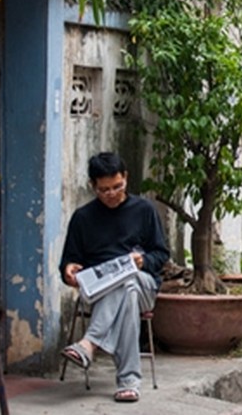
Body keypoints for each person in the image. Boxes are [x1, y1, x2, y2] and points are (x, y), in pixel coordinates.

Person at [59, 152, 170, 403]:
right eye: (104, 189)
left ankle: (89, 343)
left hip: (144, 286)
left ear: (126, 179)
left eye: (117, 187)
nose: (112, 194)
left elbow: (161, 254)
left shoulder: (144, 210)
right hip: (100, 291)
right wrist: (70, 272)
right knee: (125, 288)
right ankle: (128, 381)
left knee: (129, 280)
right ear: (93, 186)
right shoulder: (82, 218)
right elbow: (68, 263)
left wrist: (143, 261)